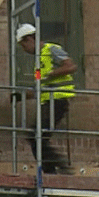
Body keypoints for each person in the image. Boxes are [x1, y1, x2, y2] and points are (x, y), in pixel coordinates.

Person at [15, 23, 75, 173]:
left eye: (24, 46)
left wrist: (50, 75)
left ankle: (61, 164)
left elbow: (70, 66)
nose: (24, 50)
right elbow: (39, 86)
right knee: (37, 139)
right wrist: (21, 96)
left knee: (35, 136)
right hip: (47, 101)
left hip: (58, 99)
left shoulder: (51, 49)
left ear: (30, 39)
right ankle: (50, 173)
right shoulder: (37, 63)